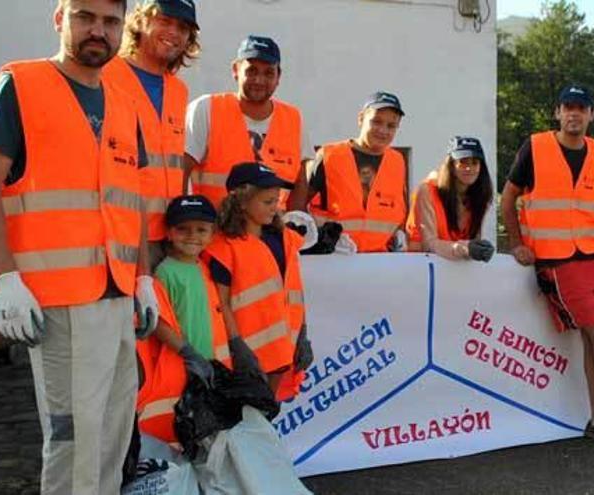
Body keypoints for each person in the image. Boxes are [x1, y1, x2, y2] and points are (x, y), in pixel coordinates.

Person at [0, 1, 158, 493]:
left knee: (110, 433)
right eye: (85, 17)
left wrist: (143, 278)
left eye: (109, 21)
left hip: (118, 295)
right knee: (73, 439)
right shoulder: (21, 85)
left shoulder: (124, 105)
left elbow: (131, 205)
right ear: (60, 19)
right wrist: (4, 277)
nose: (97, 31)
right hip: (59, 299)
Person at [501, 84, 594, 451]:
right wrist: (518, 243)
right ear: (557, 113)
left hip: (592, 257)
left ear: (590, 115)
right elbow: (508, 199)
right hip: (558, 261)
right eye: (568, 107)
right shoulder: (534, 148)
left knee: (592, 343)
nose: (574, 114)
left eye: (581, 108)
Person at [136, 194, 250, 444]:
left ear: (212, 234)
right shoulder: (166, 272)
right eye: (183, 229)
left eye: (201, 230)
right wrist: (187, 353)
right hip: (183, 366)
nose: (192, 236)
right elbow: (160, 322)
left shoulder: (203, 267)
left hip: (208, 365)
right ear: (169, 233)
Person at [205, 163, 313, 398]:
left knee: (267, 418)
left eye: (276, 201)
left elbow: (293, 291)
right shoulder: (224, 248)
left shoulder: (284, 239)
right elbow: (221, 303)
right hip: (247, 356)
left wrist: (302, 334)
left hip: (283, 351)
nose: (275, 207)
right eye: (267, 202)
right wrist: (236, 344)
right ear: (241, 202)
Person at [103, 0, 200, 262]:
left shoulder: (178, 91)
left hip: (167, 237)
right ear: (140, 21)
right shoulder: (103, 75)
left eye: (182, 27)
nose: (173, 32)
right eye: (164, 21)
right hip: (117, 235)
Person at [185, 35, 311, 210]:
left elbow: (300, 183)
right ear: (236, 70)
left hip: (271, 233)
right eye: (252, 71)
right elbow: (180, 172)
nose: (259, 80)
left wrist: (292, 226)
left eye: (268, 73)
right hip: (216, 231)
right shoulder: (206, 109)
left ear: (278, 76)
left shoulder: (293, 119)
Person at [304, 91, 408, 253]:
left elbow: (398, 210)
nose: (383, 130)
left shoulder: (398, 162)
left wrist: (399, 235)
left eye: (391, 125)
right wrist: (313, 239)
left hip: (378, 261)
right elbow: (298, 203)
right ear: (361, 119)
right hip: (332, 258)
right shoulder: (329, 155)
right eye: (376, 122)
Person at [406, 136, 494, 261]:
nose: (469, 168)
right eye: (463, 162)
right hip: (422, 265)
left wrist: (480, 248)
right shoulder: (427, 191)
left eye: (475, 163)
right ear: (451, 165)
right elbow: (428, 244)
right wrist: (465, 248)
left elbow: (473, 240)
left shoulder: (481, 196)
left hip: (455, 266)